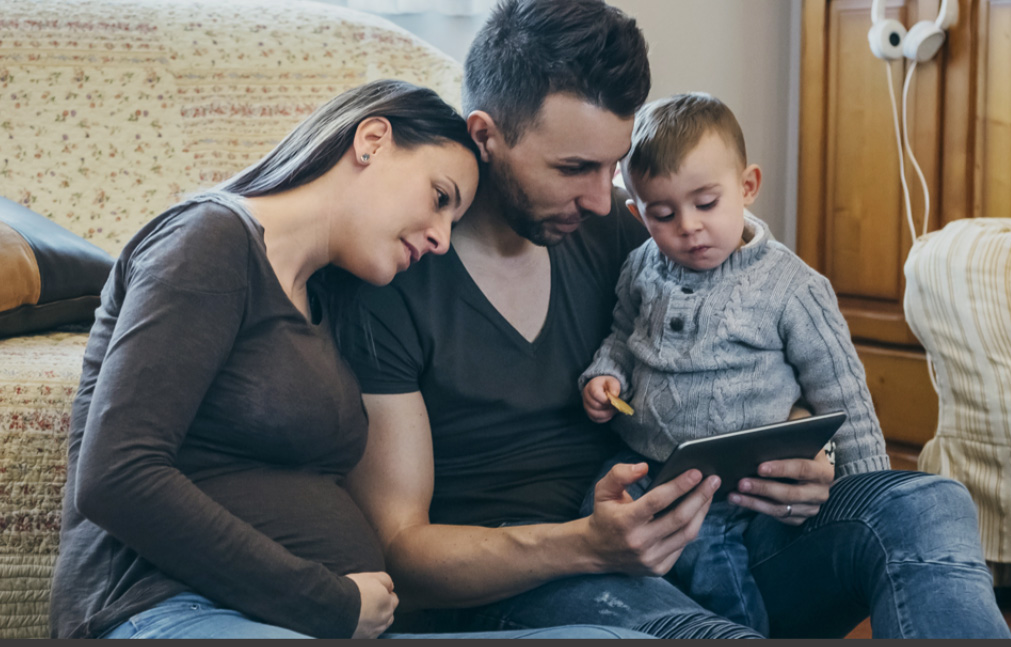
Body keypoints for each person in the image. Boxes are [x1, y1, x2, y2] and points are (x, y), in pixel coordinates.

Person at [342, 0, 1011, 639]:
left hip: (698, 530)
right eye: (573, 167)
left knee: (926, 502)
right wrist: (585, 544)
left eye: (610, 168)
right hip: (529, 578)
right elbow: (402, 552)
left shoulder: (619, 231)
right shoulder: (396, 273)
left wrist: (813, 460)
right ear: (486, 136)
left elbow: (748, 321)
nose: (601, 199)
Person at [48, 78, 649, 640]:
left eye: (453, 219)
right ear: (372, 141)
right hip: (167, 609)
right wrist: (327, 602)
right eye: (439, 198)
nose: (441, 238)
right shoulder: (209, 240)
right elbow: (116, 477)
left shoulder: (328, 297)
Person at [575, 91, 887, 635]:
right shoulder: (639, 269)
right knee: (593, 519)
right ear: (637, 212)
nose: (689, 227)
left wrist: (866, 493)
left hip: (732, 476)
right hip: (645, 462)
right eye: (663, 214)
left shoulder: (792, 287)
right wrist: (605, 376)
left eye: (706, 204)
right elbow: (622, 336)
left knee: (713, 565)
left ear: (747, 188)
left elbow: (843, 394)